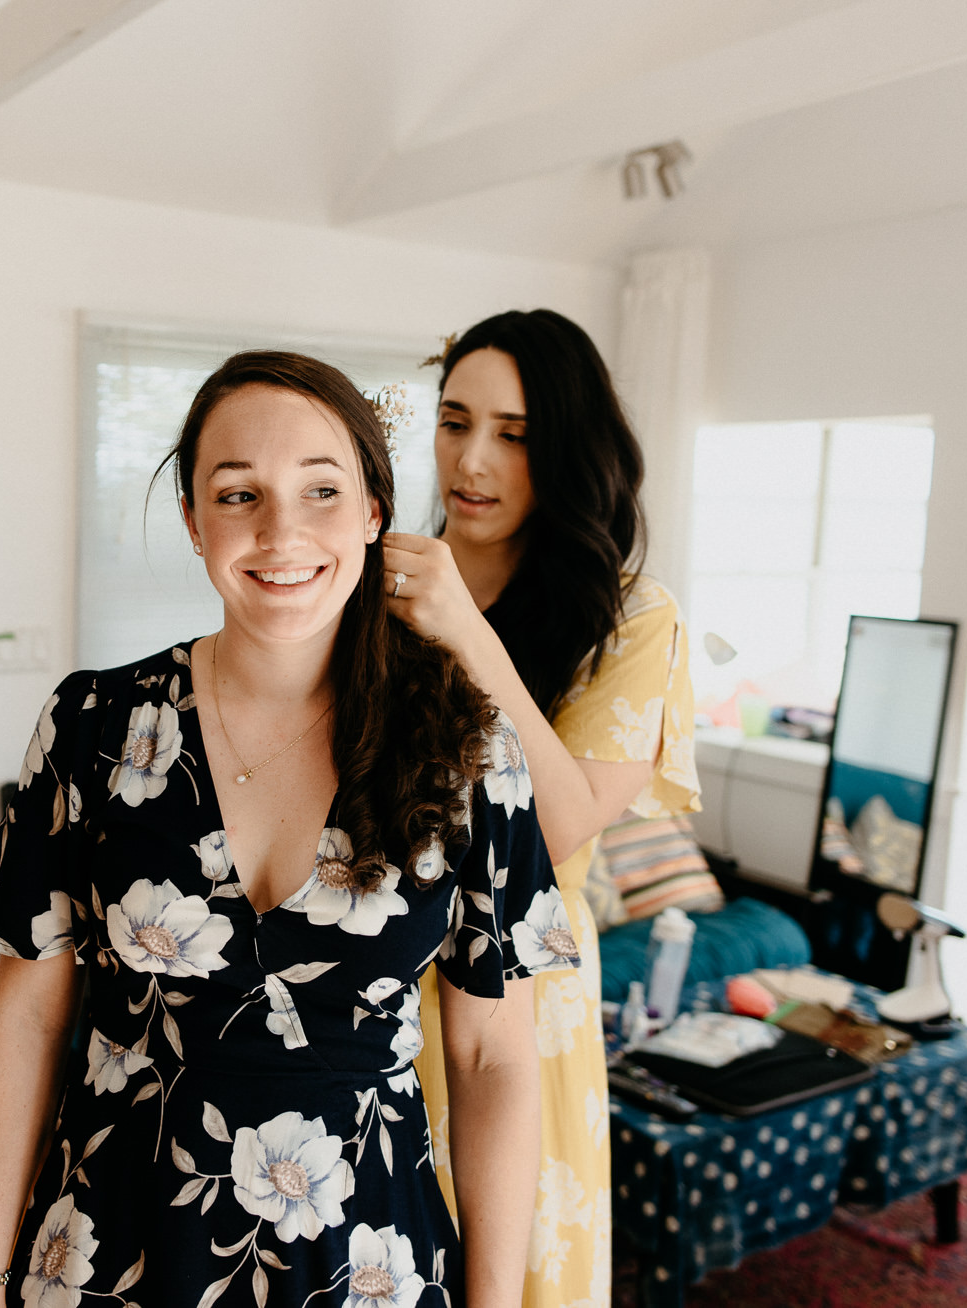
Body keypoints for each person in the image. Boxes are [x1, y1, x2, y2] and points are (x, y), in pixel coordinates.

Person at [0, 351, 578, 1307]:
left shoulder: (468, 748)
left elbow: (491, 1056)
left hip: (367, 1262)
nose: (282, 532)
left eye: (321, 490)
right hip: (110, 1250)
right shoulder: (92, 726)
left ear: (373, 511)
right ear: (196, 522)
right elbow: (28, 1014)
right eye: (239, 495)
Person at [384, 310, 700, 1307]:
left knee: (508, 1272)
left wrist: (466, 634)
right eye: (453, 421)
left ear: (565, 445)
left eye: (512, 434)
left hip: (520, 1005)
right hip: (370, 979)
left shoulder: (632, 616)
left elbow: (557, 828)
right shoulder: (374, 583)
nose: (470, 460)